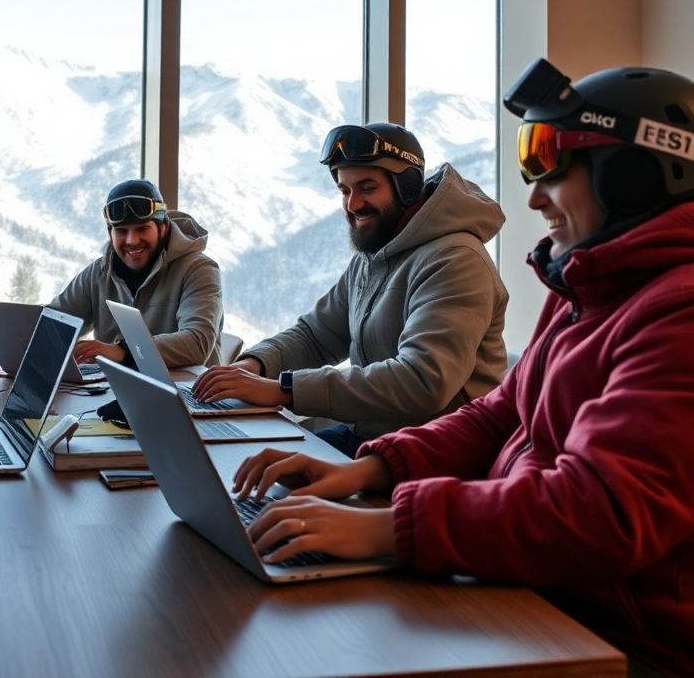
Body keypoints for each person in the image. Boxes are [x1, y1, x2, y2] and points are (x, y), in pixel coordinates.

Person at [232, 60, 694, 678]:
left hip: (618, 642)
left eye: (554, 164)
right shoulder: (583, 286)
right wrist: (367, 470)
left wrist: (388, 529)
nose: (535, 196)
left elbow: (602, 512)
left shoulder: (678, 314)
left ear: (632, 176)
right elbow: (499, 416)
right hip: (528, 585)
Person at [192, 123, 508, 455]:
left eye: (367, 188)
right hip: (371, 437)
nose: (353, 204)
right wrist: (255, 365)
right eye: (344, 190)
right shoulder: (375, 256)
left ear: (408, 187)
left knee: (267, 476)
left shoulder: (455, 260)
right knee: (246, 462)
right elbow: (316, 335)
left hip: (435, 454)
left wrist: (285, 390)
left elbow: (422, 380)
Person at [48, 179, 223, 368]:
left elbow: (197, 343)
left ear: (163, 228)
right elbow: (52, 322)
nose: (132, 240)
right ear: (110, 233)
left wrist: (124, 350)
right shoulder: (98, 273)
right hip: (113, 385)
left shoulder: (199, 269)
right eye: (122, 231)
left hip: (187, 386)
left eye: (142, 229)